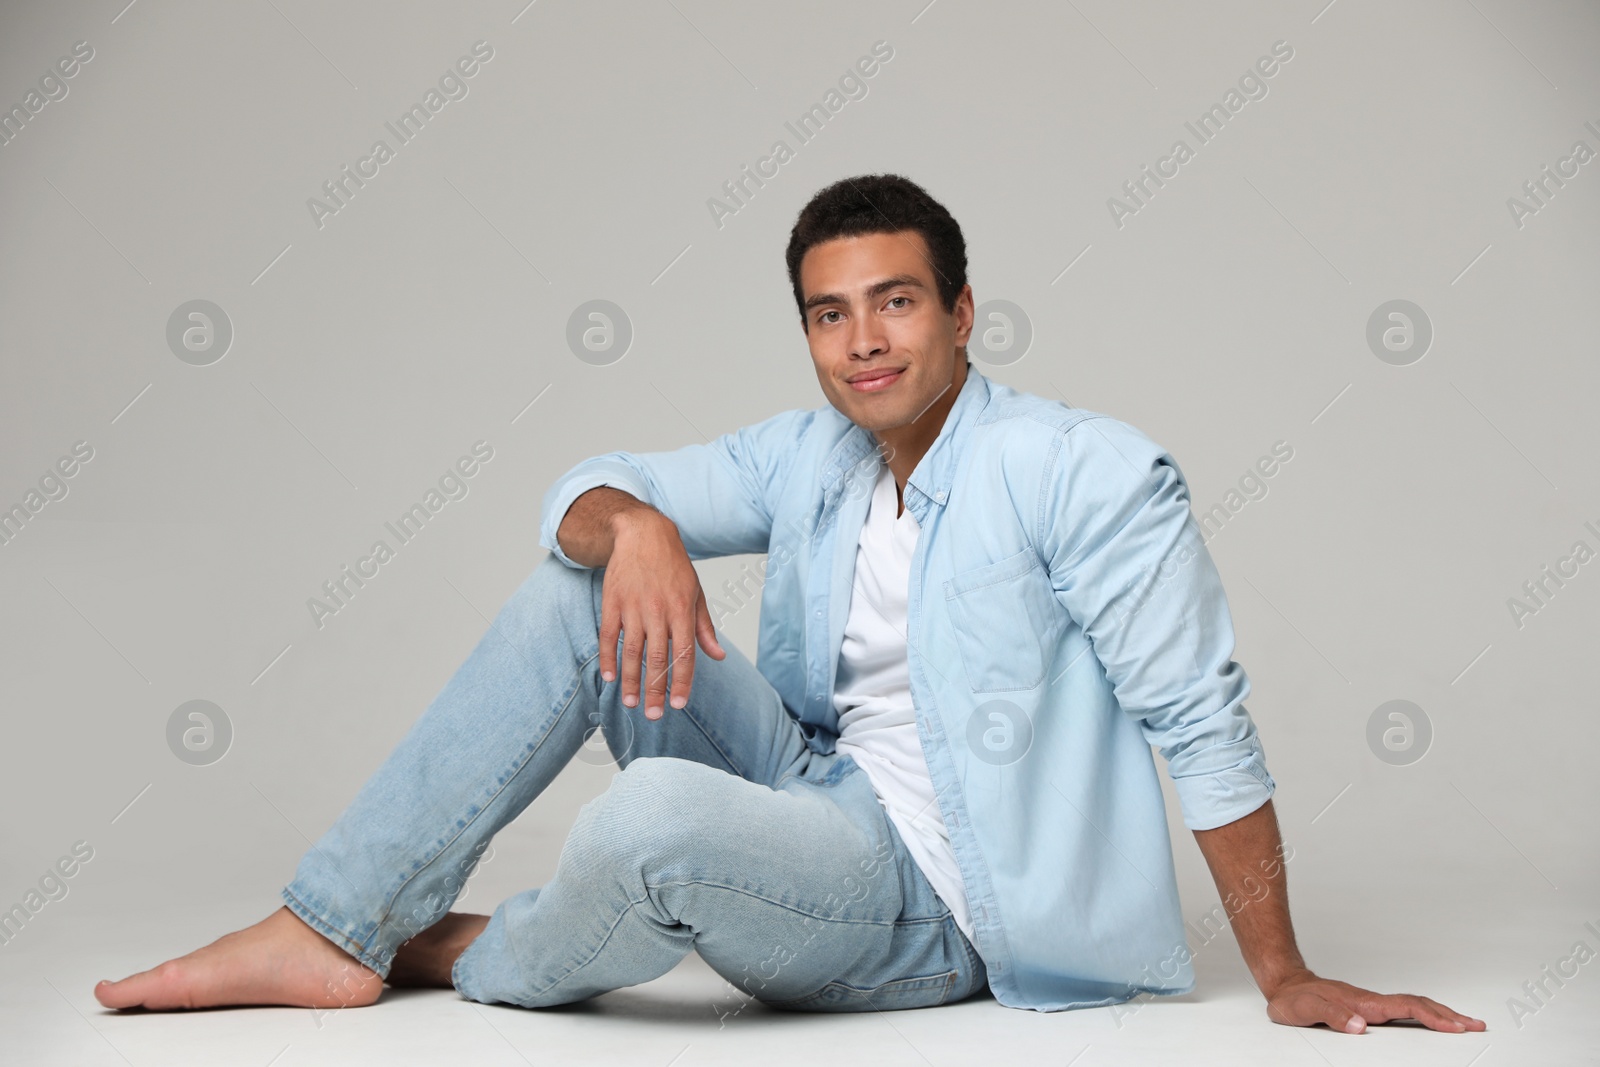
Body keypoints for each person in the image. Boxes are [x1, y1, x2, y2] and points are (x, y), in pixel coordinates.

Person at [95, 173, 1485, 1032]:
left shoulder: (1086, 474)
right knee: (570, 591)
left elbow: (1202, 721)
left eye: (895, 304)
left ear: (962, 312)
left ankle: (453, 948)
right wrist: (632, 523)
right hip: (806, 786)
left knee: (642, 824)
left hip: (940, 904)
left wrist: (1289, 974)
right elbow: (589, 482)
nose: (864, 341)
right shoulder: (812, 451)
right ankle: (338, 929)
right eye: (831, 314)